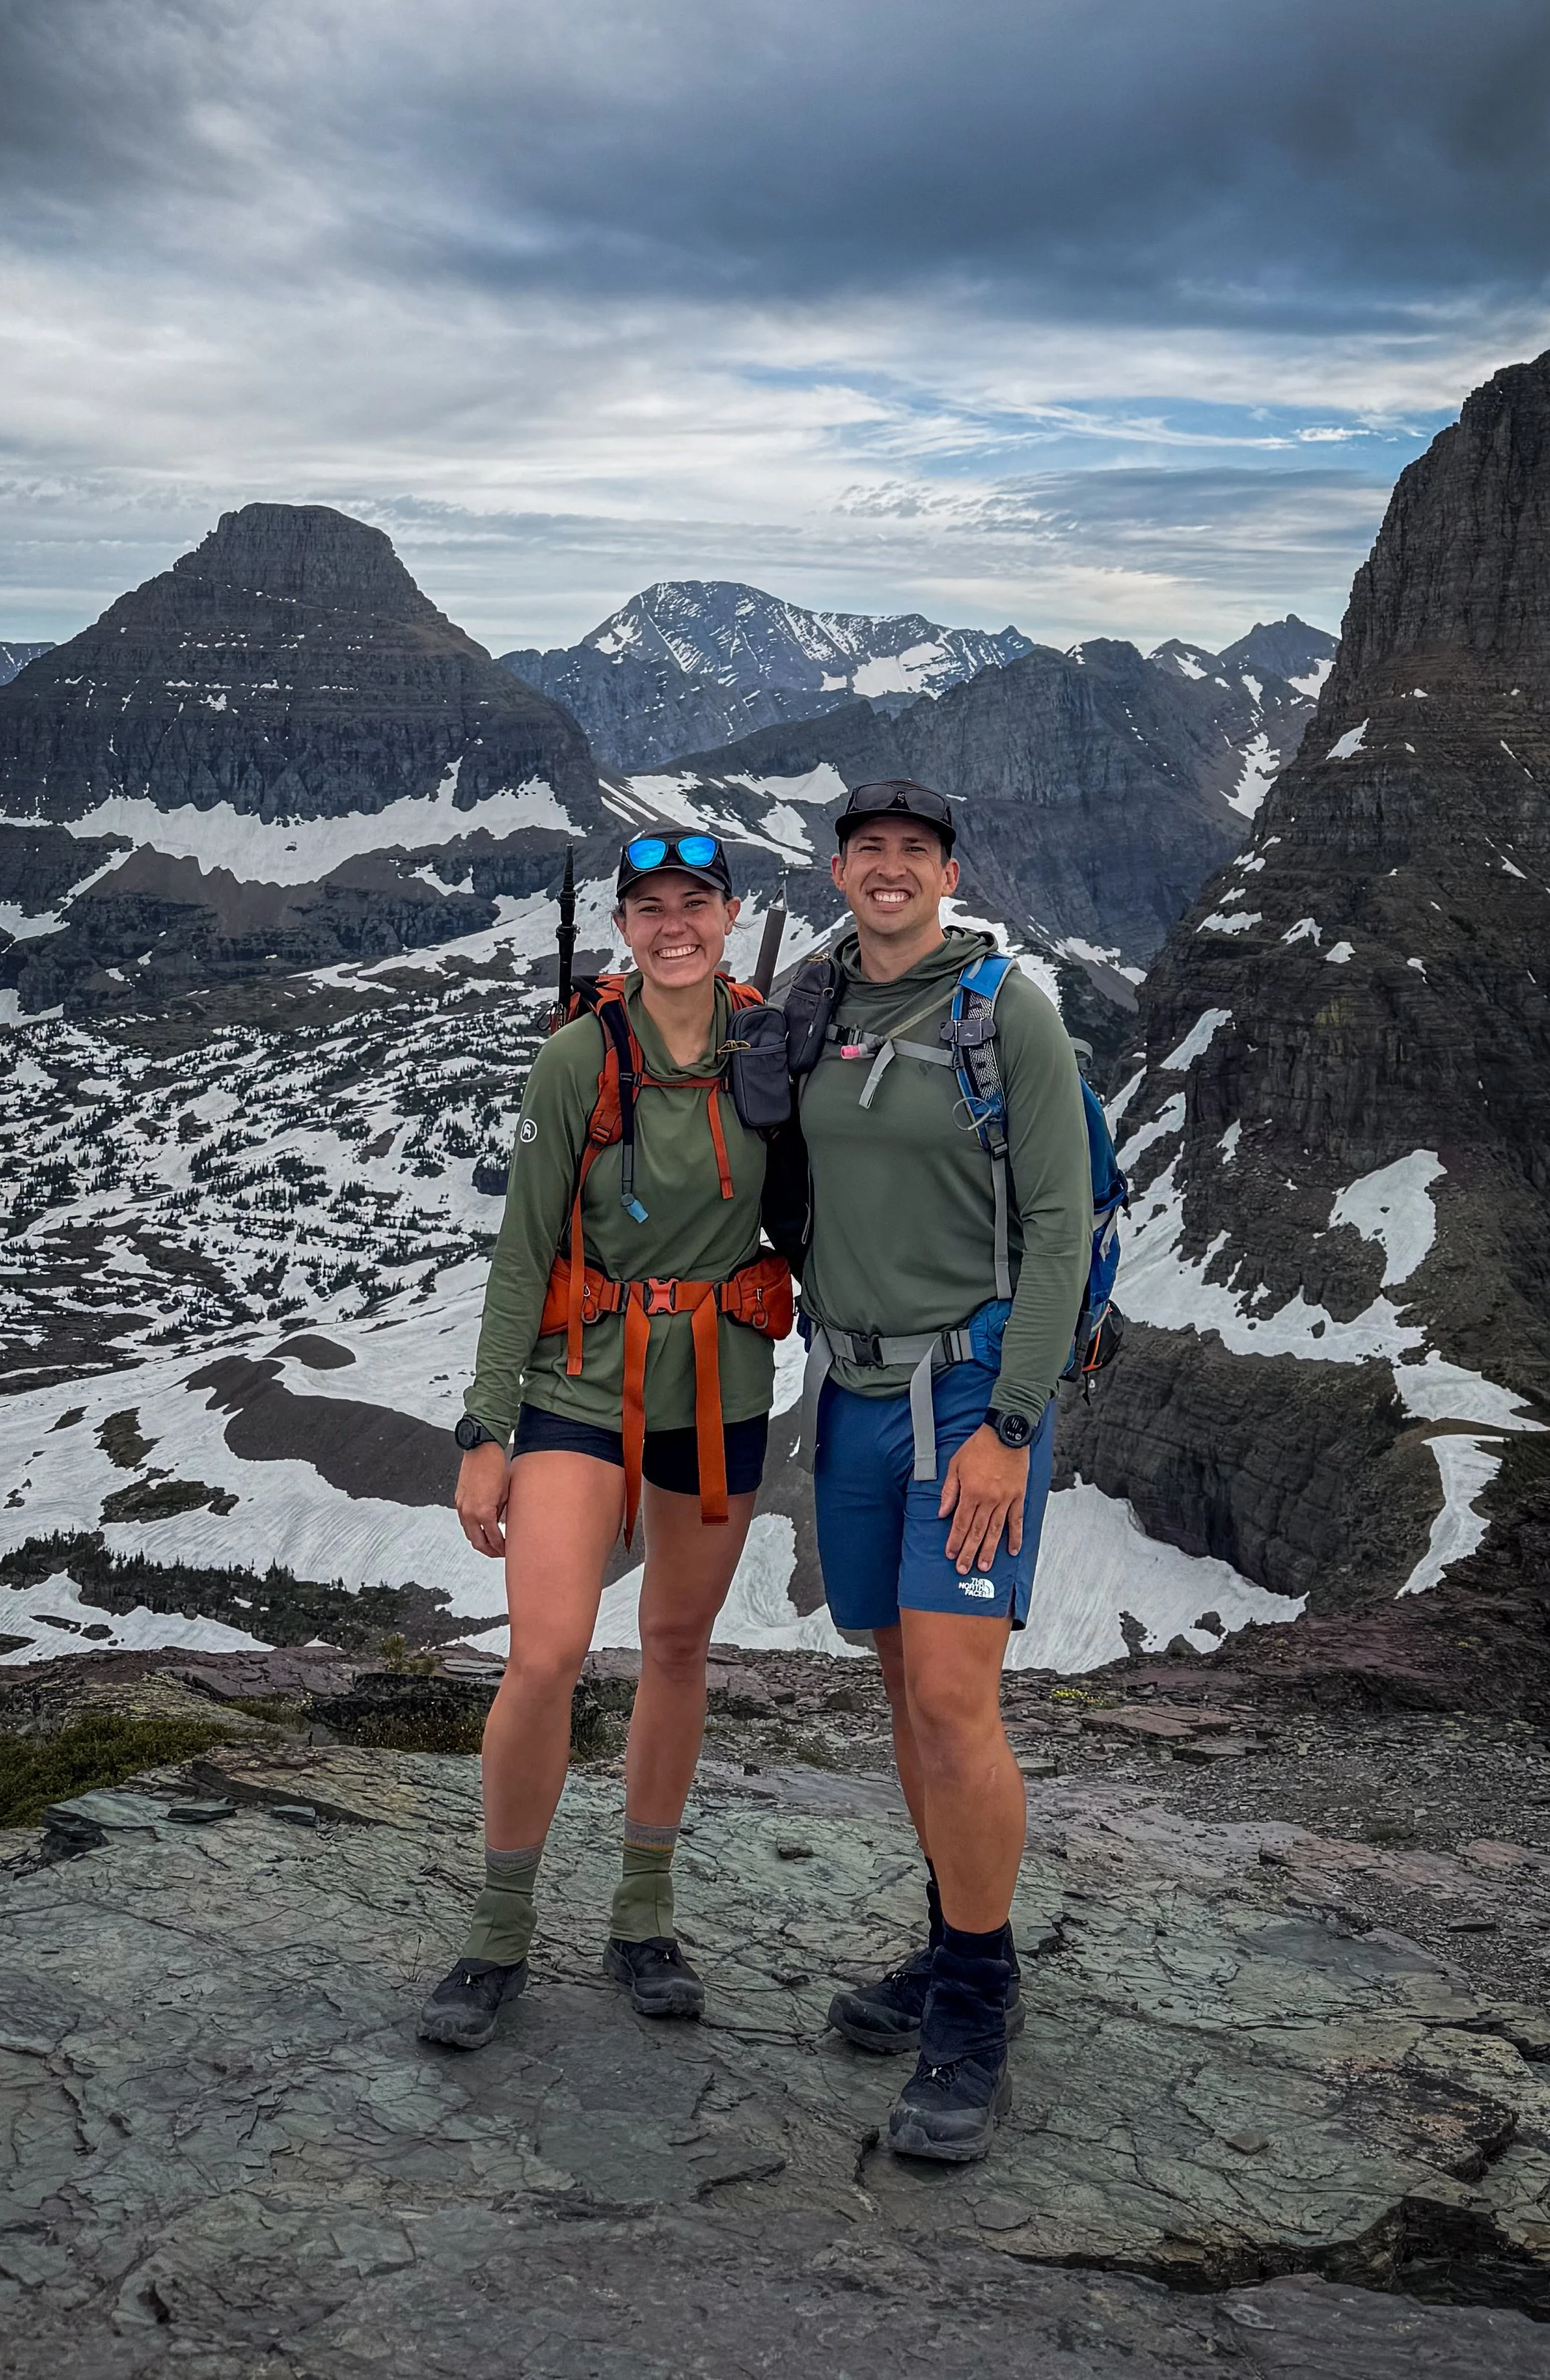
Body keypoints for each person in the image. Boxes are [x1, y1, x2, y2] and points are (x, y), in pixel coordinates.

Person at [418, 832, 791, 2051]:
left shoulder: (770, 1049)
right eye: (650, 907)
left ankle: (642, 1915)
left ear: (729, 914)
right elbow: (523, 1251)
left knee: (677, 1644)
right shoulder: (578, 1057)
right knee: (547, 1651)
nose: (673, 924)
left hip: (721, 1385)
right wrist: (486, 1430)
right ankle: (498, 1927)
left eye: (695, 902)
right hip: (579, 1383)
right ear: (624, 927)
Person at [793, 779, 1090, 2162]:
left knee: (957, 1692)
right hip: (851, 1384)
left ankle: (976, 1997)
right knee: (898, 1673)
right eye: (870, 851)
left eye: (916, 851)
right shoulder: (814, 1005)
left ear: (950, 872)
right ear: (841, 871)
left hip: (969, 1387)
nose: (892, 869)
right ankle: (950, 1931)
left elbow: (1058, 1225)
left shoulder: (1005, 1012)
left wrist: (1010, 1423)